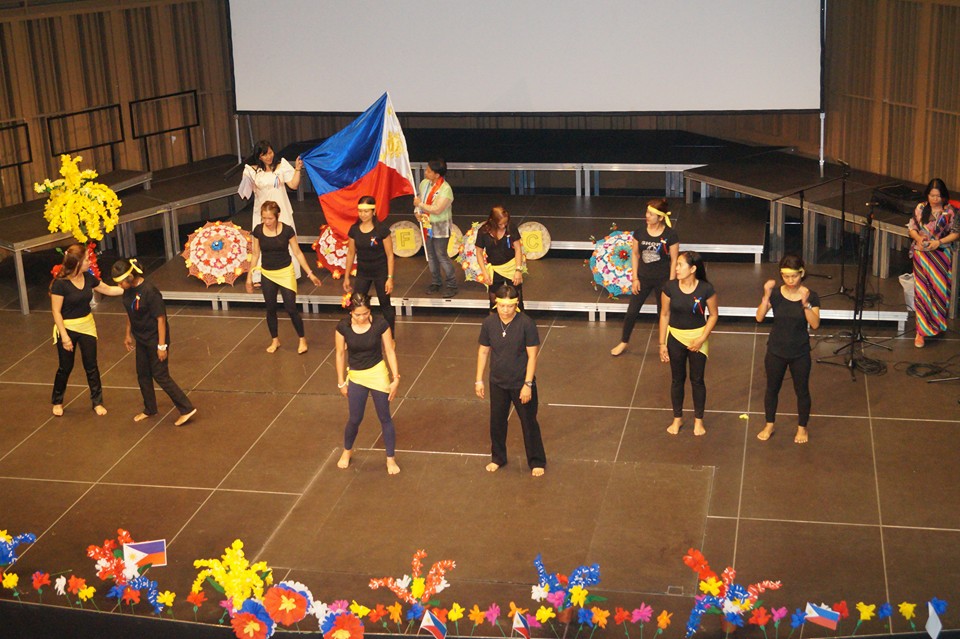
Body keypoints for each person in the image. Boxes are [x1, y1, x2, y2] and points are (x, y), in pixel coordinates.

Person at [111, 259, 197, 427]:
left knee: (160, 375)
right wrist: (128, 334)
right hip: (140, 338)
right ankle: (150, 408)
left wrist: (161, 345)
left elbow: (161, 319)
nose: (119, 286)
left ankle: (186, 408)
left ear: (130, 278)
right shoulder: (127, 292)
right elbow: (130, 313)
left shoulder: (150, 291)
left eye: (121, 282)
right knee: (142, 374)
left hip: (155, 338)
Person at [475, 284, 546, 476]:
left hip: (520, 383)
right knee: (497, 422)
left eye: (509, 306)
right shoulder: (489, 324)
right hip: (497, 382)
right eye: (502, 306)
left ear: (516, 305)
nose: (505, 310)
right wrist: (478, 380)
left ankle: (536, 460)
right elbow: (483, 351)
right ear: (495, 304)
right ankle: (498, 457)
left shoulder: (526, 324)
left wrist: (527, 384)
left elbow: (532, 356)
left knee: (528, 423)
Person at [50, 244, 124, 417]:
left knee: (91, 366)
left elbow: (107, 289)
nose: (90, 262)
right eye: (86, 260)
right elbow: (56, 311)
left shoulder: (88, 278)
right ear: (77, 263)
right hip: (67, 327)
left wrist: (129, 287)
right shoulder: (60, 284)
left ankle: (97, 402)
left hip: (87, 325)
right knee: (65, 367)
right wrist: (65, 337)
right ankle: (58, 400)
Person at [755, 255, 820, 444]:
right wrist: (766, 295)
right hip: (776, 350)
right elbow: (759, 317)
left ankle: (802, 427)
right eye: (786, 276)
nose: (790, 281)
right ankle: (769, 423)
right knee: (772, 389)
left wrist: (805, 305)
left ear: (802, 273)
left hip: (799, 352)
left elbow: (815, 324)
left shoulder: (810, 295)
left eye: (794, 276)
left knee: (802, 390)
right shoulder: (775, 294)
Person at [335, 293, 400, 474]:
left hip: (377, 373)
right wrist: (341, 381)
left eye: (365, 313)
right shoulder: (343, 327)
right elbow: (340, 354)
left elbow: (389, 350)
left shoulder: (380, 324)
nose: (362, 317)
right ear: (351, 313)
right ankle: (347, 451)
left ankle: (390, 458)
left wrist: (396, 378)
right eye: (358, 315)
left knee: (385, 417)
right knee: (355, 418)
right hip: (356, 375)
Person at [245, 200, 322, 353]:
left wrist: (310, 273)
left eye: (270, 218)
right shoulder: (258, 231)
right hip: (267, 273)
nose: (267, 222)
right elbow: (255, 254)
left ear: (277, 216)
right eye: (264, 218)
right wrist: (249, 278)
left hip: (285, 272)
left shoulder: (287, 230)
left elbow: (298, 252)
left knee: (291, 307)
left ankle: (302, 339)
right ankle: (275, 340)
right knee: (270, 308)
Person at [659, 251, 718, 436]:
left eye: (680, 265)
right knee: (677, 379)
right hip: (675, 337)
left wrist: (701, 339)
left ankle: (698, 420)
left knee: (697, 380)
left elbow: (714, 315)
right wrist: (662, 344)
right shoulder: (669, 287)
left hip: (698, 338)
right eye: (676, 265)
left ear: (692, 269)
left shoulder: (706, 289)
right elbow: (664, 314)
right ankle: (678, 418)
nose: (676, 268)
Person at [611, 198, 680, 356]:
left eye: (651, 213)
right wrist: (635, 278)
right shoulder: (640, 232)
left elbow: (674, 259)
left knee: (663, 313)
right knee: (632, 312)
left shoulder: (671, 235)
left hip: (662, 279)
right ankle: (624, 342)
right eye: (647, 212)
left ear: (660, 217)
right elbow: (635, 255)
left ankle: (666, 345)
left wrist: (670, 283)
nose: (646, 215)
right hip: (643, 278)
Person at [240, 140, 304, 283]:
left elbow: (293, 185)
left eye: (270, 152)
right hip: (262, 212)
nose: (268, 157)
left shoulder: (281, 166)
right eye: (264, 155)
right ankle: (258, 276)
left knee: (286, 239)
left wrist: (298, 169)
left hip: (280, 210)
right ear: (259, 157)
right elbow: (245, 192)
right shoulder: (253, 171)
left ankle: (290, 273)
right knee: (261, 243)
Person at [907, 178, 959, 348]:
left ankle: (936, 324)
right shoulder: (921, 208)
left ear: (944, 196)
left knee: (938, 292)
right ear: (927, 195)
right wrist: (918, 238)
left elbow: (956, 233)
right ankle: (920, 332)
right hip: (922, 255)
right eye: (932, 195)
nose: (935, 199)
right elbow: (912, 228)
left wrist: (939, 242)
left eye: (938, 196)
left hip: (941, 255)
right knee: (922, 293)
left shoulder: (950, 212)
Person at [343, 196, 396, 335]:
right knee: (356, 302)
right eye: (360, 211)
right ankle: (355, 333)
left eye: (366, 211)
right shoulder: (354, 230)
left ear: (374, 211)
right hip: (363, 272)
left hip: (380, 272)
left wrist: (389, 277)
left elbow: (390, 255)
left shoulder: (382, 230)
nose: (363, 214)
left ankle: (391, 337)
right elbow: (350, 253)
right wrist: (346, 277)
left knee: (385, 304)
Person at [413, 158, 458, 297]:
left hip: (440, 226)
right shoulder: (424, 184)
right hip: (427, 225)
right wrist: (417, 212)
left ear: (437, 174)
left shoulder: (446, 189)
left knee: (441, 255)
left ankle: (452, 284)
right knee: (431, 256)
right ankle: (436, 282)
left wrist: (420, 205)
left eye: (428, 171)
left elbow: (437, 209)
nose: (425, 173)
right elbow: (419, 200)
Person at [475, 206, 525, 310]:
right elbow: (479, 252)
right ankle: (496, 323)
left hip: (511, 266)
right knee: (494, 300)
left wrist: (518, 270)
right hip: (495, 268)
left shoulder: (511, 227)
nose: (503, 226)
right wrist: (484, 272)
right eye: (500, 224)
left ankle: (519, 323)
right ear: (492, 221)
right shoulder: (483, 231)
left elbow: (518, 249)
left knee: (517, 298)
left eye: (505, 223)